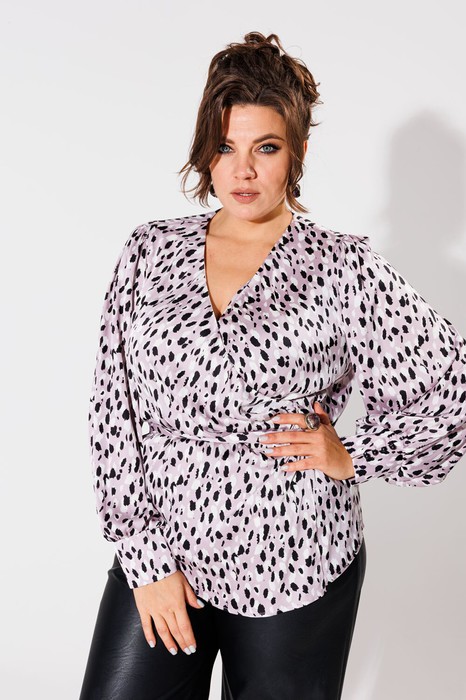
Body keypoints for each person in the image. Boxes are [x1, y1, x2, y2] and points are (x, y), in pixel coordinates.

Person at [79, 31, 466, 700]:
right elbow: (113, 414)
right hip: (165, 554)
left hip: (297, 559)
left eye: (265, 148)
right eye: (225, 147)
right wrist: (143, 558)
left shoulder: (343, 267)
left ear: (298, 152)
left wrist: (353, 453)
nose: (243, 172)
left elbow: (450, 388)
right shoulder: (148, 251)